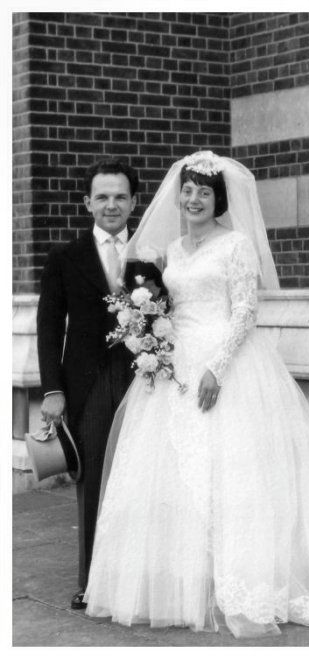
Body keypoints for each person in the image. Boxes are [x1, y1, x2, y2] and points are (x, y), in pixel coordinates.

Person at [84, 151, 309, 638]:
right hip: (177, 366)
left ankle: (244, 579)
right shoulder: (173, 251)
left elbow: (244, 312)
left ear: (219, 200)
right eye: (189, 190)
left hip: (228, 367)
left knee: (235, 474)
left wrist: (216, 369)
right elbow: (170, 307)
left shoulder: (236, 244)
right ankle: (184, 579)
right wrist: (154, 339)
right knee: (172, 471)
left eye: (204, 192)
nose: (194, 199)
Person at [37, 160, 140, 611]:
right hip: (88, 384)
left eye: (120, 196)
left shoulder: (152, 252)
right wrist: (52, 390)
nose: (111, 205)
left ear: (134, 202)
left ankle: (140, 579)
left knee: (145, 479)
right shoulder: (65, 258)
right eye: (102, 197)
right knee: (94, 479)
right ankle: (93, 581)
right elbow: (47, 328)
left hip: (145, 379)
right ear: (87, 203)